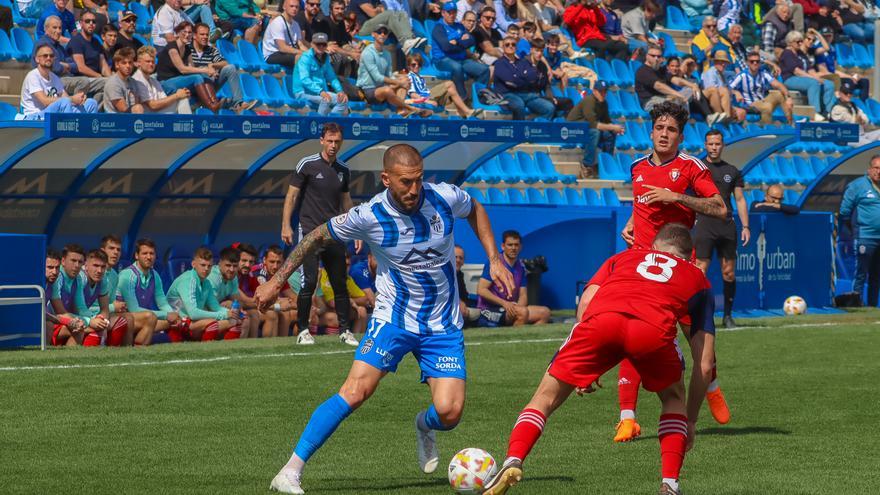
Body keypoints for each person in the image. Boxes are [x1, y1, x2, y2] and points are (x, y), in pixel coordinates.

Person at [255, 143, 515, 495]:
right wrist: (277, 279)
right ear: (386, 178)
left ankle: (424, 425)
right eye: (406, 182)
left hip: (441, 325)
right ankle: (289, 471)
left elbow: (476, 209)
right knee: (356, 390)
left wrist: (494, 257)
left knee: (450, 414)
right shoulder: (369, 215)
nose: (414, 189)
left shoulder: (444, 197)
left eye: (419, 180)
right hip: (393, 318)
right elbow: (316, 236)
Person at [481, 224, 715, 495]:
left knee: (545, 396)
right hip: (652, 329)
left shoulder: (622, 257)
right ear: (687, 256)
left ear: (653, 247)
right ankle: (670, 484)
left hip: (602, 321)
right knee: (673, 397)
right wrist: (692, 421)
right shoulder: (697, 279)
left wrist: (590, 366)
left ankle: (513, 459)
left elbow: (586, 305)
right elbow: (705, 364)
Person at [616, 100, 728, 443]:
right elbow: (643, 201)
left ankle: (711, 384)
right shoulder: (637, 166)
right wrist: (633, 221)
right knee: (632, 336)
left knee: (700, 350)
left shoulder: (691, 167)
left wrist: (676, 196)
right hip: (642, 266)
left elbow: (719, 208)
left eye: (672, 130)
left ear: (681, 137)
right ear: (651, 132)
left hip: (680, 270)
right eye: (660, 129)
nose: (665, 134)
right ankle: (627, 418)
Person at [280, 122, 358, 346]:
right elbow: (292, 196)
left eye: (337, 142)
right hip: (309, 232)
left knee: (339, 283)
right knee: (309, 282)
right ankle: (303, 330)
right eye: (330, 141)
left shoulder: (343, 170)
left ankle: (345, 331)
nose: (333, 145)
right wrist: (286, 225)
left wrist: (358, 231)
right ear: (322, 140)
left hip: (334, 233)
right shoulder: (307, 164)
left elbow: (346, 201)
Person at [693, 130, 749, 332]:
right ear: (705, 145)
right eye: (710, 144)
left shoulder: (732, 171)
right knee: (700, 271)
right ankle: (698, 315)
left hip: (726, 226)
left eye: (717, 144)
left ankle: (727, 315)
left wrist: (746, 226)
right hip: (705, 225)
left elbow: (740, 199)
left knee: (729, 273)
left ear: (722, 145)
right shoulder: (696, 168)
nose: (714, 147)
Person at [476, 230, 552, 326]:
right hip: (488, 310)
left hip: (510, 307)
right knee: (522, 313)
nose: (513, 248)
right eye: (510, 245)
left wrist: (518, 306)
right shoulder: (495, 263)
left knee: (545, 313)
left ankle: (528, 337)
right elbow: (481, 290)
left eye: (516, 245)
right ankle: (516, 337)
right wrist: (505, 303)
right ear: (503, 246)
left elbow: (523, 294)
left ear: (520, 247)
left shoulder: (520, 266)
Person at [117, 238, 188, 341]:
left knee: (171, 321)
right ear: (137, 256)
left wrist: (174, 315)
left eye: (152, 253)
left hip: (144, 319)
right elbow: (134, 309)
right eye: (144, 253)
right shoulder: (127, 275)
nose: (149, 257)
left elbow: (162, 303)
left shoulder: (155, 275)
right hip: (124, 319)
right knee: (151, 317)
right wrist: (166, 315)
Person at [356, 24, 430, 117]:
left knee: (405, 80)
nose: (382, 34)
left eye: (385, 32)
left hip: (381, 87)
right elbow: (377, 77)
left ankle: (400, 110)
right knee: (389, 89)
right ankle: (411, 108)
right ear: (373, 34)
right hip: (367, 90)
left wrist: (400, 80)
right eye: (379, 32)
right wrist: (398, 82)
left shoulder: (386, 53)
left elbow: (389, 75)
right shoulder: (368, 53)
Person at [166, 247, 239, 341]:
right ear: (193, 264)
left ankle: (225, 352)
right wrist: (224, 315)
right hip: (176, 322)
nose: (206, 269)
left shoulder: (206, 283)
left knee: (236, 322)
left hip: (191, 321)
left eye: (209, 266)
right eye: (203, 265)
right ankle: (205, 351)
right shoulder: (188, 280)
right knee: (213, 323)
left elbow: (215, 307)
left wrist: (232, 313)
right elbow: (193, 313)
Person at [50, 245, 114, 347]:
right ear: (63, 261)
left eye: (80, 262)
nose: (76, 265)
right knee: (81, 329)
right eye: (73, 260)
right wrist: (89, 321)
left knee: (113, 323)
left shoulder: (78, 279)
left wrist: (96, 319)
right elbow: (60, 313)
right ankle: (68, 360)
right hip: (51, 322)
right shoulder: (58, 276)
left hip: (67, 321)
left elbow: (81, 308)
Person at [635, 44, 718, 123]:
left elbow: (676, 80)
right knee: (677, 101)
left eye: (659, 56)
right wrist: (678, 95)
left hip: (665, 99)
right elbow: (659, 86)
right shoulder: (643, 71)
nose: (656, 58)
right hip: (651, 102)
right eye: (653, 56)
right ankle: (684, 122)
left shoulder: (661, 69)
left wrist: (692, 85)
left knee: (691, 90)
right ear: (647, 56)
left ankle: (706, 117)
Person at [839, 155, 880, 306]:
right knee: (861, 273)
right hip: (865, 237)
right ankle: (856, 305)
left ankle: (873, 306)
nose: (879, 171)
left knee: (877, 275)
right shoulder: (857, 186)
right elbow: (844, 212)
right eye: (876, 168)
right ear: (869, 169)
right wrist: (854, 232)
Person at [156, 21, 223, 113]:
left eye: (189, 32)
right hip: (165, 83)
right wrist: (205, 70)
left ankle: (214, 102)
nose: (187, 35)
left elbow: (192, 68)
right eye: (184, 32)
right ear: (178, 33)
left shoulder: (187, 49)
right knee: (197, 77)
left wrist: (209, 71)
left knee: (203, 76)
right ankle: (211, 106)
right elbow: (182, 69)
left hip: (178, 80)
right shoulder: (172, 47)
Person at [19, 44, 98, 120]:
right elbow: (44, 101)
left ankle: (87, 131)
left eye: (51, 56)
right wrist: (72, 99)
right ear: (37, 59)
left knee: (91, 103)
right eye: (45, 56)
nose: (48, 58)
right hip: (34, 116)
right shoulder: (33, 76)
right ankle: (70, 132)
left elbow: (66, 97)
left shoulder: (54, 77)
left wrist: (79, 99)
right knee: (64, 102)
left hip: (52, 114)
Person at [191, 22, 256, 112]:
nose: (205, 37)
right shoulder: (188, 49)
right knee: (202, 76)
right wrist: (205, 70)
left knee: (230, 68)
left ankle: (239, 103)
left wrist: (212, 65)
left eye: (207, 34)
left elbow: (225, 62)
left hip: (210, 83)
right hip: (194, 84)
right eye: (202, 34)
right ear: (194, 35)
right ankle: (216, 104)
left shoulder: (211, 49)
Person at [432, 2, 490, 101]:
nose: (452, 15)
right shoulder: (438, 28)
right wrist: (462, 42)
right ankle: (463, 98)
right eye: (449, 12)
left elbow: (472, 40)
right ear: (443, 13)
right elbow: (446, 47)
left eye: (454, 12)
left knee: (485, 70)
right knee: (457, 67)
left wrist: (457, 43)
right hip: (442, 59)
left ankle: (478, 98)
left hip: (460, 59)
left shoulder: (459, 26)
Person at [567, 80, 624, 178]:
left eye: (605, 91)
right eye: (600, 91)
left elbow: (606, 121)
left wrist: (615, 129)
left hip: (586, 129)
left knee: (610, 134)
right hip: (574, 130)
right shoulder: (589, 101)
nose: (603, 94)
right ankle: (586, 165)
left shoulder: (603, 103)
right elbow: (593, 124)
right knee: (595, 132)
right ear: (594, 91)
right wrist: (613, 127)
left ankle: (606, 163)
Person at [493, 36, 555, 120]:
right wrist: (523, 79)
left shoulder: (521, 62)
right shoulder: (499, 63)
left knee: (549, 108)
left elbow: (530, 78)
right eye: (507, 45)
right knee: (519, 104)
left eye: (513, 44)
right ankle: (519, 130)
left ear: (516, 47)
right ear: (503, 47)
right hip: (506, 94)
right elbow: (511, 82)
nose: (510, 46)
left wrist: (521, 78)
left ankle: (536, 129)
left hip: (523, 94)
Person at [403, 53, 482, 118]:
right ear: (408, 66)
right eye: (413, 65)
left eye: (419, 64)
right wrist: (428, 101)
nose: (417, 66)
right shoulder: (410, 77)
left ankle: (463, 113)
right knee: (449, 84)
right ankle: (466, 112)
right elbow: (413, 95)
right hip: (423, 100)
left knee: (451, 90)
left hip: (426, 97)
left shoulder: (418, 77)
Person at [779, 30, 835, 121]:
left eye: (801, 41)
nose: (800, 43)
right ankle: (815, 113)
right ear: (790, 42)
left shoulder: (800, 53)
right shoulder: (787, 53)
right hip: (790, 79)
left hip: (803, 79)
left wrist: (817, 77)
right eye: (798, 41)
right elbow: (796, 71)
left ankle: (828, 112)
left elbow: (810, 70)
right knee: (813, 83)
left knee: (829, 84)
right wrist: (814, 78)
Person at [291, 32, 349, 115]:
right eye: (318, 44)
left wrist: (340, 91)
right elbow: (305, 79)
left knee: (343, 101)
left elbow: (332, 77)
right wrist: (320, 92)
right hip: (303, 92)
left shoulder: (325, 58)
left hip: (320, 92)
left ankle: (329, 123)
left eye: (323, 44)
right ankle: (319, 123)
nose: (321, 47)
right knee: (326, 99)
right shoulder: (305, 57)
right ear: (312, 44)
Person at [729, 51, 794, 125]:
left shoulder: (763, 73)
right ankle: (766, 127)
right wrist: (736, 92)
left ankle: (790, 122)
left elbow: (778, 85)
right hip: (750, 104)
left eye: (757, 61)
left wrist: (788, 98)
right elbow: (728, 88)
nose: (755, 63)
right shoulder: (742, 75)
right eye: (752, 61)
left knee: (779, 94)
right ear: (747, 63)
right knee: (767, 106)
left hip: (762, 100)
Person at [252, 245, 299, 338]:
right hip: (253, 307)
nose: (275, 266)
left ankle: (288, 347)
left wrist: (293, 304)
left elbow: (293, 296)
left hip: (267, 307)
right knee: (278, 314)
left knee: (301, 312)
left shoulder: (279, 275)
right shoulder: (259, 272)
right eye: (272, 262)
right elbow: (264, 299)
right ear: (264, 260)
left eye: (278, 262)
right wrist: (281, 304)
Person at [208, 246, 254, 338]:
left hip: (217, 312)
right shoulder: (213, 277)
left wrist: (232, 304)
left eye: (235, 266)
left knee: (245, 319)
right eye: (228, 265)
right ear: (220, 264)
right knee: (238, 321)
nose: (232, 270)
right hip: (202, 313)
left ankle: (239, 350)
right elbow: (210, 307)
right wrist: (227, 307)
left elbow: (239, 303)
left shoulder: (233, 277)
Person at [132, 45, 193, 114]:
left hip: (157, 113)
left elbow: (164, 99)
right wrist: (177, 95)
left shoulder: (153, 80)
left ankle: (187, 122)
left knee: (183, 97)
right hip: (146, 118)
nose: (151, 64)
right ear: (139, 63)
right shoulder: (137, 80)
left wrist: (181, 93)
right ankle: (188, 123)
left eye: (153, 61)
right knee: (180, 98)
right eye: (147, 61)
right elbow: (153, 106)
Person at [45, 248, 87, 347]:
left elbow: (61, 312)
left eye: (57, 268)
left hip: (50, 320)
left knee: (79, 330)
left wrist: (77, 322)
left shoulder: (53, 282)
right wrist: (69, 321)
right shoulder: (36, 284)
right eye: (50, 267)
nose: (54, 272)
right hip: (35, 323)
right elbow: (40, 313)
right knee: (48, 325)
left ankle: (68, 360)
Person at [352, 0, 427, 54]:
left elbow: (382, 12)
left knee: (401, 14)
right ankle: (405, 41)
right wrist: (379, 9)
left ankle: (409, 40)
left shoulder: (376, 1)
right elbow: (373, 13)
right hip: (362, 29)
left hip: (374, 27)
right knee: (390, 14)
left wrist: (379, 10)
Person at [67, 10, 111, 92]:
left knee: (116, 83)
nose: (91, 24)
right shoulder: (76, 41)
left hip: (96, 80)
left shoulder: (96, 42)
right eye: (87, 21)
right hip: (82, 80)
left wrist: (110, 78)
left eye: (93, 21)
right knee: (109, 84)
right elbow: (81, 68)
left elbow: (103, 65)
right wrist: (100, 76)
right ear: (81, 24)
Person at [701, 50, 745, 123]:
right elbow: (713, 92)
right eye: (720, 62)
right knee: (723, 90)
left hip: (724, 102)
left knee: (742, 112)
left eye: (724, 62)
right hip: (712, 103)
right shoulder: (710, 73)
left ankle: (732, 128)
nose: (723, 64)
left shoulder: (723, 75)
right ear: (715, 62)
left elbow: (729, 89)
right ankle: (726, 117)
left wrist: (735, 92)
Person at [263, 0, 305, 70]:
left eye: (297, 7)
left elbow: (301, 45)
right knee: (300, 57)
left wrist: (311, 53)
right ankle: (302, 79)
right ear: (284, 7)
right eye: (291, 6)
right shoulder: (278, 22)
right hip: (272, 54)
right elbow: (282, 48)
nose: (294, 9)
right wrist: (303, 53)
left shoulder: (296, 24)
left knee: (314, 57)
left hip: (287, 52)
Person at [103, 48, 145, 114]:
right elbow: (123, 109)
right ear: (117, 65)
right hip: (114, 121)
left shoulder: (133, 81)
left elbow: (137, 102)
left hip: (130, 118)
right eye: (124, 63)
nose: (128, 66)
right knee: (138, 108)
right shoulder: (113, 83)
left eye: (130, 63)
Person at [454, 245, 480, 325]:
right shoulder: (442, 274)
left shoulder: (460, 275)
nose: (458, 260)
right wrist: (459, 302)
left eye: (461, 258)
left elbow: (465, 296)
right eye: (455, 257)